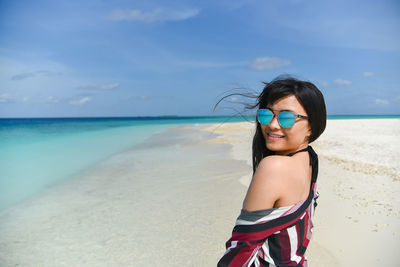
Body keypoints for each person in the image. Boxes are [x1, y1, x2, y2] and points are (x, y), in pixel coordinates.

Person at [216, 76, 327, 267]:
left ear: (311, 126)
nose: (273, 125)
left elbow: (240, 252)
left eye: (286, 118)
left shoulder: (274, 167)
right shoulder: (310, 159)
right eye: (267, 115)